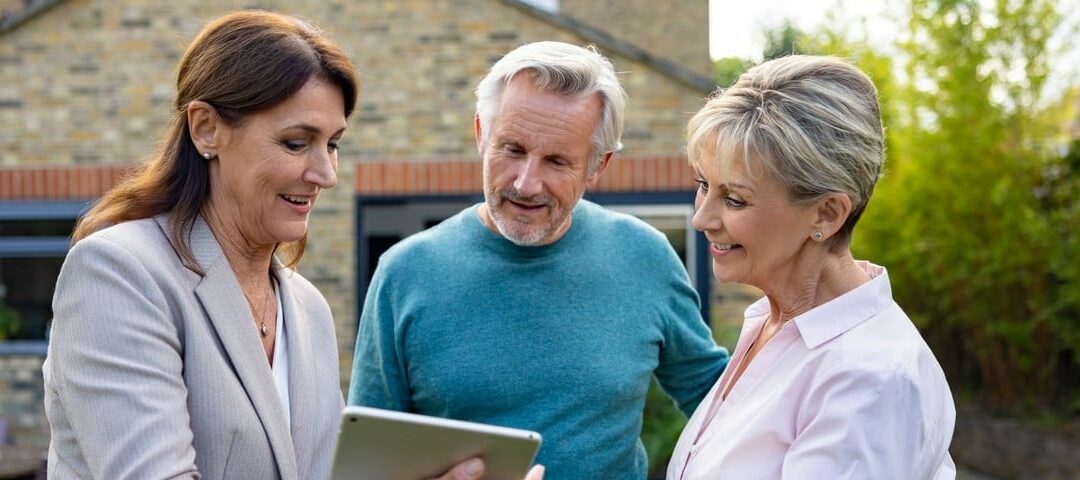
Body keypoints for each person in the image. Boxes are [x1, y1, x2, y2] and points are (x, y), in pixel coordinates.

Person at [43, 11, 482, 480]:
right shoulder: (120, 271)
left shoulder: (307, 308)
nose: (326, 174)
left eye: (332, 144)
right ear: (206, 128)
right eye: (296, 143)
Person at [348, 41, 729, 479]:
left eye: (556, 161)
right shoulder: (405, 273)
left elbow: (720, 405)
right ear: (480, 134)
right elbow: (366, 462)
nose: (527, 184)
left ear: (597, 166)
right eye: (511, 150)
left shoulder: (645, 256)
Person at [663, 55, 956, 478]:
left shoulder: (868, 379)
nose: (701, 219)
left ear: (826, 214)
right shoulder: (774, 322)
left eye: (734, 199)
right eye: (703, 185)